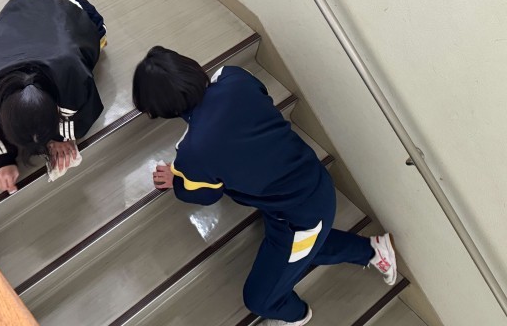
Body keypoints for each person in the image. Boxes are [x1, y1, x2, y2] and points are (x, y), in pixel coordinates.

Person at [133, 46, 397, 326]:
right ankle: (371, 249)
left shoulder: (193, 152)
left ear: (166, 110)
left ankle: (297, 315)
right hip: (309, 178)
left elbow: (207, 194)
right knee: (299, 249)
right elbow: (257, 105)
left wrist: (179, 178)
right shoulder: (234, 76)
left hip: (299, 218)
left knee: (260, 300)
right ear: (191, 67)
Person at [0, 0, 106, 193]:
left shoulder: (71, 75)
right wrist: (3, 160)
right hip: (18, 9)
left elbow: (85, 109)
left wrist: (61, 137)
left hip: (70, 7)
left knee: (99, 41)